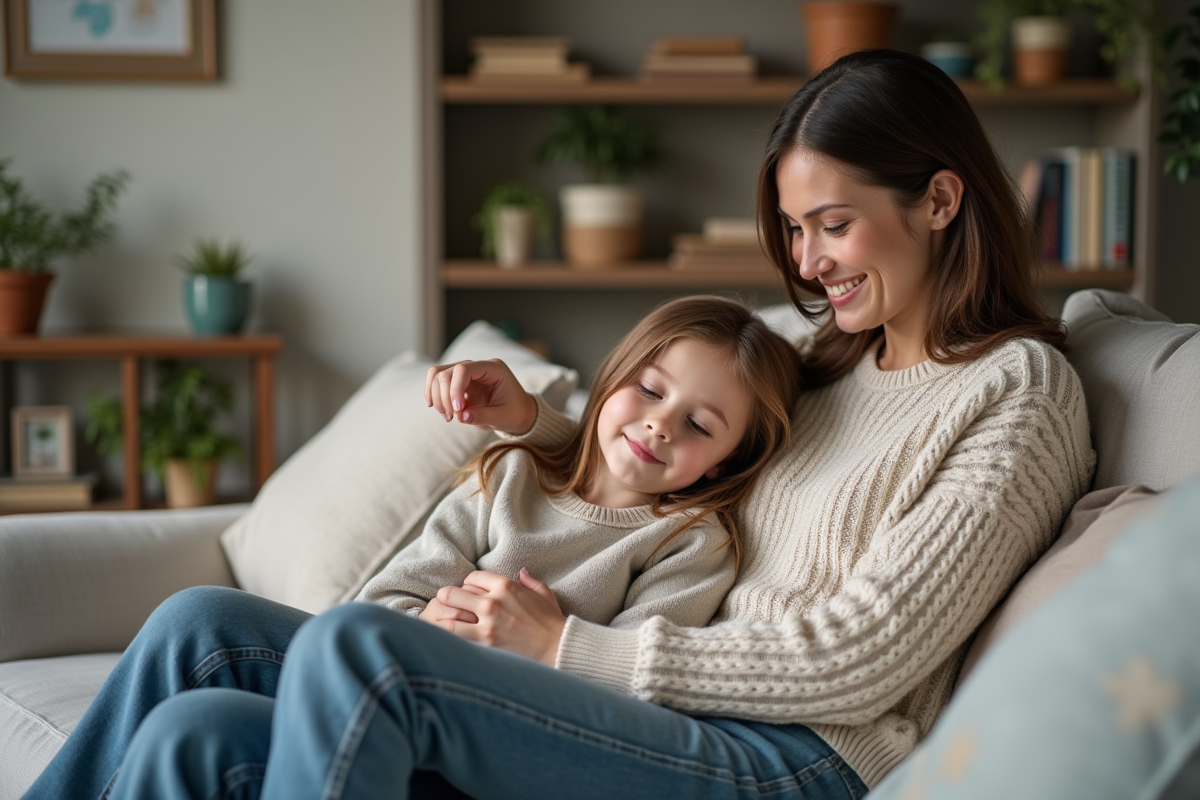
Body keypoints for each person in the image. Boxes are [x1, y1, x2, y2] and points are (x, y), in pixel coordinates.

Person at [23, 49, 1095, 800]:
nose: (808, 261)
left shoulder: (1017, 391)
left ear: (941, 201)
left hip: (790, 757)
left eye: (833, 225)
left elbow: (863, 654)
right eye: (794, 229)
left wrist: (575, 646)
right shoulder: (825, 354)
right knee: (199, 650)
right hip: (666, 710)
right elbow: (665, 433)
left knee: (367, 650)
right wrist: (537, 416)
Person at [359, 295, 802, 633]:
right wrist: (423, 625)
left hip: (508, 724)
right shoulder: (511, 475)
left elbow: (630, 679)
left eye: (699, 425)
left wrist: (548, 642)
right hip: (412, 673)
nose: (660, 425)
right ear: (612, 380)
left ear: (724, 464)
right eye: (650, 390)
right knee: (332, 638)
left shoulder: (690, 542)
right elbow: (378, 605)